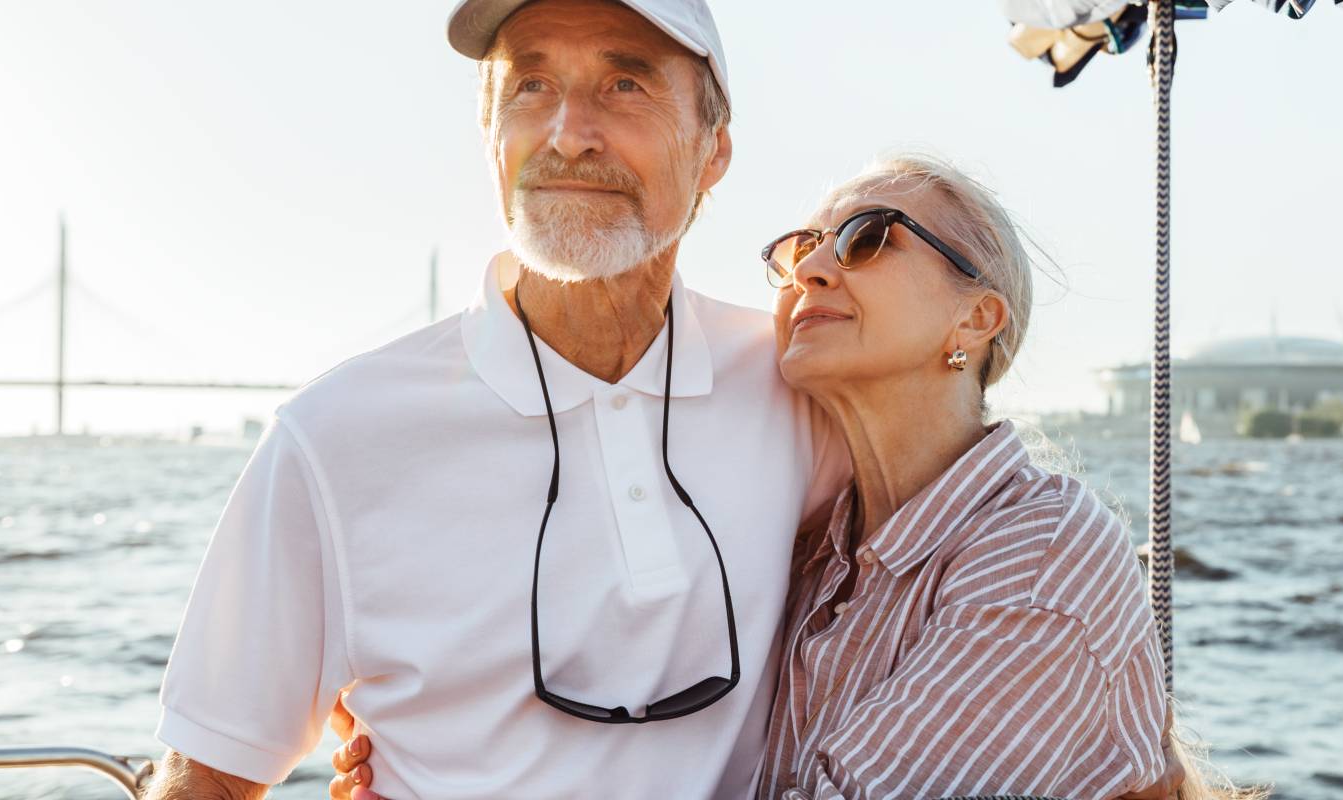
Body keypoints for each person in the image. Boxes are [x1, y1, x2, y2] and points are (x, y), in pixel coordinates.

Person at [331, 154, 1243, 798]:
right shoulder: (818, 538)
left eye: (867, 237)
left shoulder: (1041, 560)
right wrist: (438, 750)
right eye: (798, 246)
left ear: (976, 320)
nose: (810, 267)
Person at [144, 0, 852, 797]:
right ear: (489, 137)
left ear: (713, 149)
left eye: (625, 83)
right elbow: (210, 773)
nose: (568, 134)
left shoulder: (800, 387)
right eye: (532, 86)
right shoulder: (334, 437)